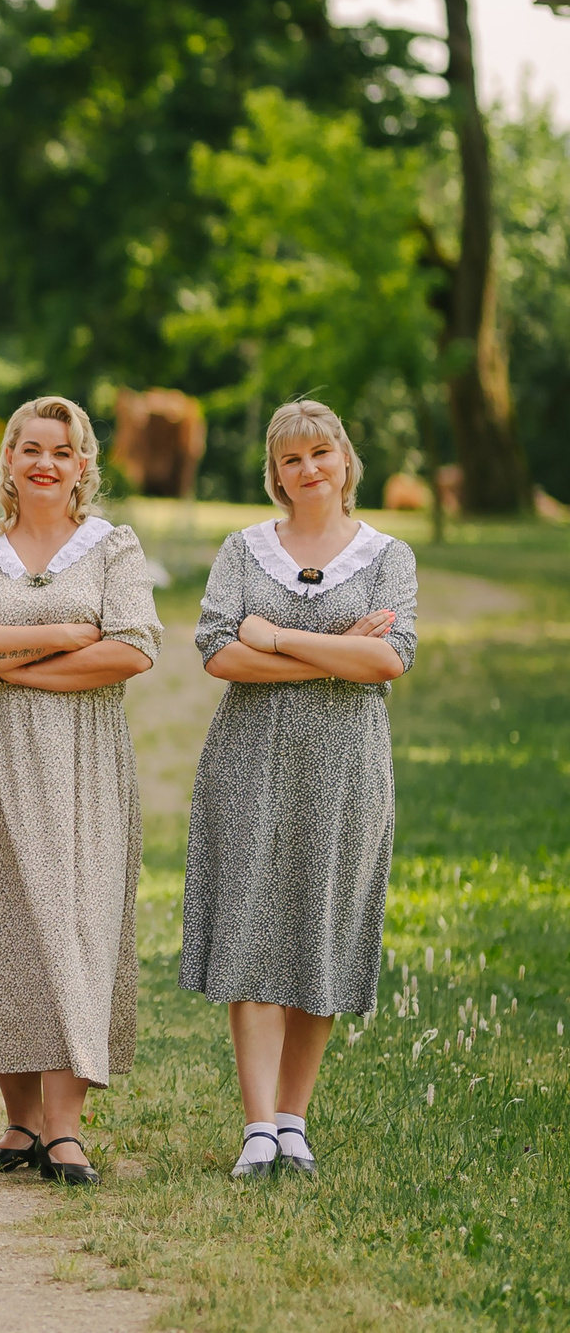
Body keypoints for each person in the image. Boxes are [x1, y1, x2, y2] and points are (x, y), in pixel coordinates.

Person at [0, 395, 159, 1186]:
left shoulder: (112, 547)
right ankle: (21, 1123)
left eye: (60, 451)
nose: (44, 463)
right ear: (9, 461)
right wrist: (59, 637)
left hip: (82, 765)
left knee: (76, 929)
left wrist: (11, 668)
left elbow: (132, 649)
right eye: (30, 448)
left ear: (82, 465)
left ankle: (66, 1130)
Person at [184, 400, 414, 1179]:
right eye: (291, 459)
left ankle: (292, 1120)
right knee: (251, 924)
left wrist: (278, 637)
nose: (308, 468)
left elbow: (388, 662)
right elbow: (218, 652)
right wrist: (336, 650)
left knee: (322, 927)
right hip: (250, 757)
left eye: (321, 452)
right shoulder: (243, 550)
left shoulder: (389, 555)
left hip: (347, 767)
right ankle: (255, 1128)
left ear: (346, 459)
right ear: (275, 474)